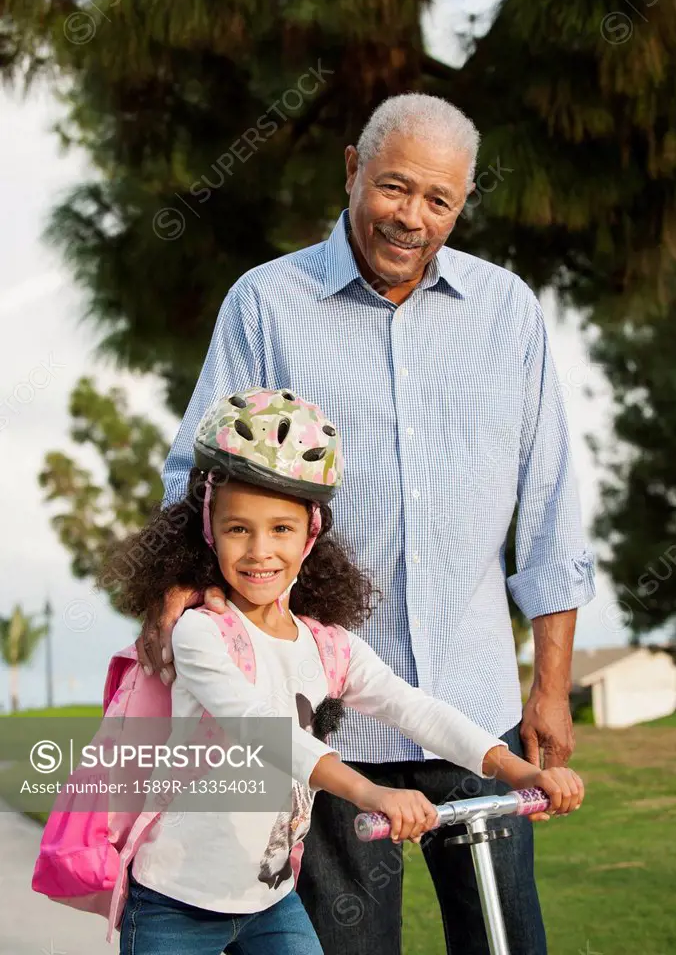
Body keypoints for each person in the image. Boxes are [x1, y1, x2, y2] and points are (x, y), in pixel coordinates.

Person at [141, 93, 596, 954]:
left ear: (463, 203)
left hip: (475, 708)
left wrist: (548, 686)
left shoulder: (507, 314)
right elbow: (195, 481)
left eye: (440, 201)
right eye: (394, 188)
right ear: (352, 168)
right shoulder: (266, 303)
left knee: (509, 942)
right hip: (326, 718)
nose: (413, 218)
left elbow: (550, 506)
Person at [108, 388, 584, 955]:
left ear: (310, 535)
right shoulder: (202, 633)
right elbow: (262, 730)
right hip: (175, 901)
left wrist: (517, 771)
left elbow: (414, 709)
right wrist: (369, 792)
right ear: (210, 530)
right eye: (239, 529)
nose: (260, 551)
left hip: (270, 901)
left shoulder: (329, 647)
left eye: (281, 529)